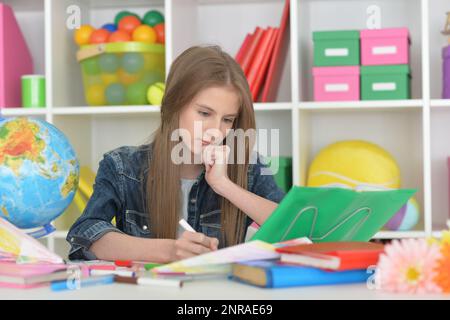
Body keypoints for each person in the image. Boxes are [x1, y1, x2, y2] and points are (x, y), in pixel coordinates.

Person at [67, 45, 285, 263]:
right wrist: (168, 251)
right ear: (175, 104)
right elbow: (86, 234)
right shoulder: (122, 167)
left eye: (227, 119)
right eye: (204, 113)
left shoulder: (248, 168)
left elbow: (296, 229)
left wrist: (224, 185)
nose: (215, 130)